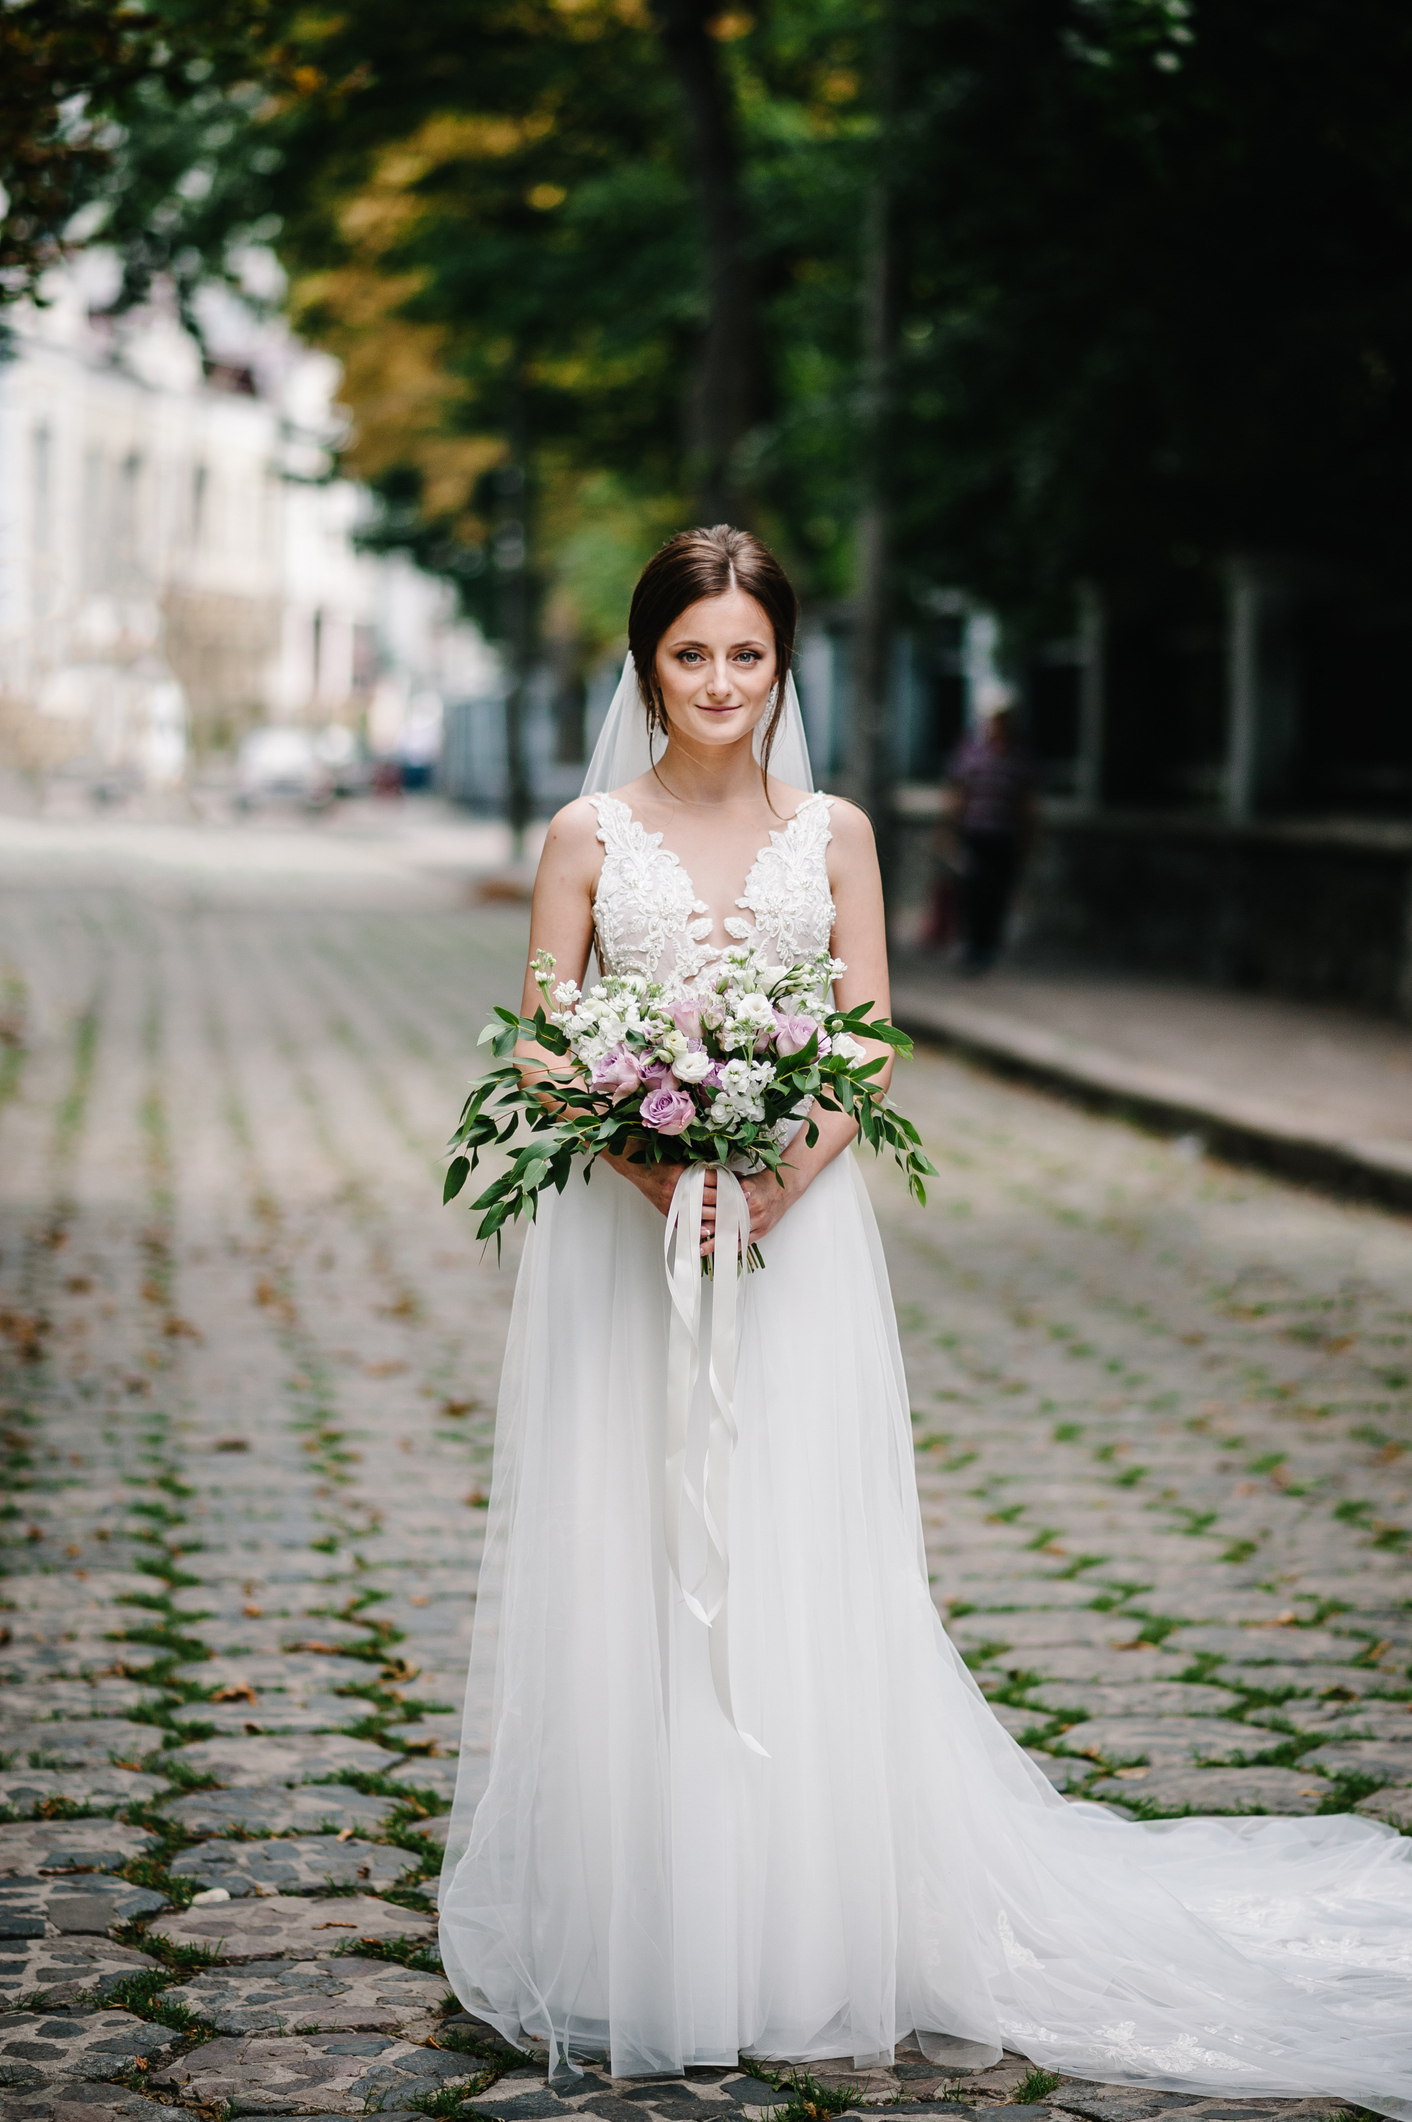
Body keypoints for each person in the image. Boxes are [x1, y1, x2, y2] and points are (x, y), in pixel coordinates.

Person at [439, 526, 1412, 2112]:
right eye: (692, 654)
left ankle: (811, 1913)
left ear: (783, 663)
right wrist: (653, 1165)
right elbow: (547, 1045)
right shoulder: (585, 834)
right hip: (638, 1250)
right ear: (646, 662)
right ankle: (657, 1921)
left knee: (798, 1551)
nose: (720, 685)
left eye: (747, 654)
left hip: (795, 1242)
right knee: (644, 1550)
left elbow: (872, 1035)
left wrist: (772, 1178)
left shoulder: (834, 833)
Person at [942, 692, 1036, 972]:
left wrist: (1030, 840)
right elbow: (957, 793)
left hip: (1004, 838)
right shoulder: (972, 753)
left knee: (998, 893)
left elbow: (1026, 803)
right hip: (975, 835)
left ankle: (987, 947)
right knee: (973, 891)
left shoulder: (1019, 758)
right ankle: (971, 945)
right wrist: (948, 830)